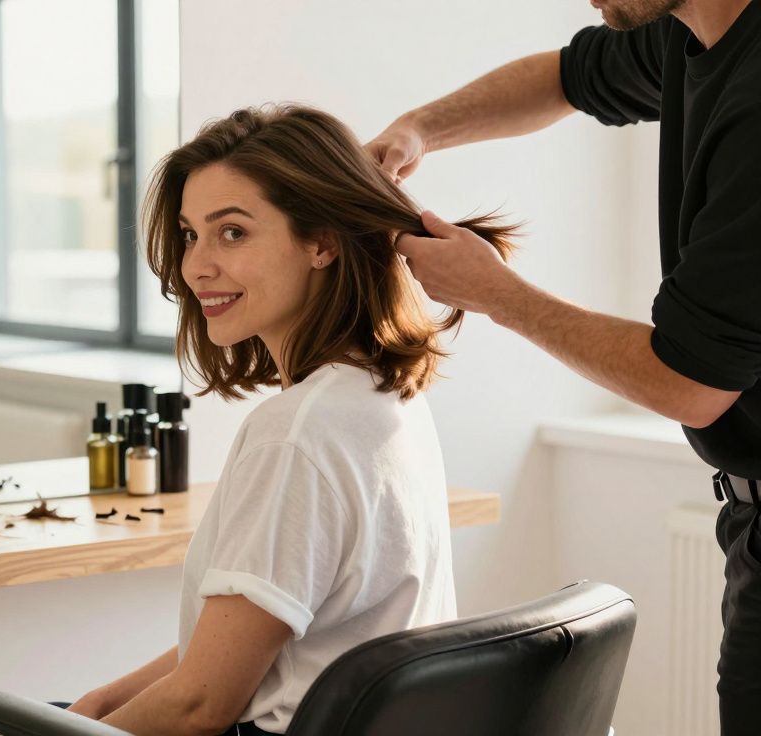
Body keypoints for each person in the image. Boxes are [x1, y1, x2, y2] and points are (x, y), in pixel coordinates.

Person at [51, 105, 513, 735]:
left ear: (320, 242)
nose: (196, 267)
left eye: (233, 233)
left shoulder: (298, 433)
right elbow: (235, 649)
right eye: (190, 235)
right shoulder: (385, 398)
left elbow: (198, 707)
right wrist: (103, 703)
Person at [364, 1, 760, 730]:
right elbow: (566, 78)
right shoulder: (687, 31)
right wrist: (419, 127)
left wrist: (498, 295)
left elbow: (690, 382)